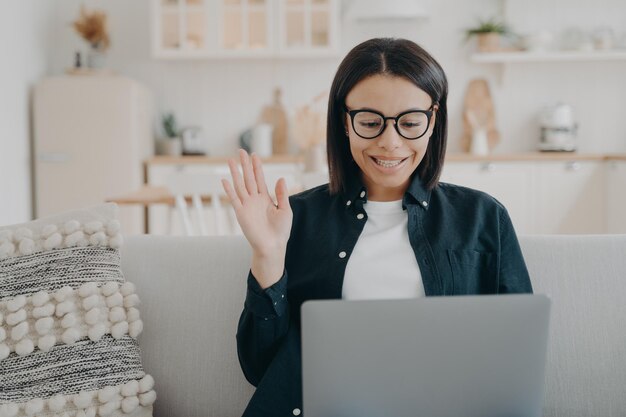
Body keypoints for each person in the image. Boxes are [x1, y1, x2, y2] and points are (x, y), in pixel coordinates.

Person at [221, 37, 533, 417]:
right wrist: (267, 257)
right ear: (344, 122)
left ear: (433, 121)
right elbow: (260, 369)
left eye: (410, 123)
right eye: (370, 122)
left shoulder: (483, 217)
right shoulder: (295, 220)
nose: (390, 142)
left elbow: (517, 359)